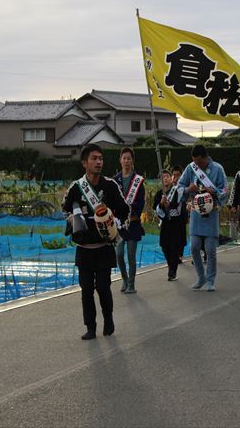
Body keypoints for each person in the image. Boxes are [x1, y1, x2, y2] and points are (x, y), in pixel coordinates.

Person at [62, 144, 130, 340]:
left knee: (102, 286)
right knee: (86, 290)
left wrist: (116, 223)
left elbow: (125, 210)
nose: (99, 162)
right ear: (85, 163)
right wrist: (72, 220)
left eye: (101, 158)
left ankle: (108, 319)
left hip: (103, 248)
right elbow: (65, 209)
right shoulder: (76, 188)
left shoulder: (110, 186)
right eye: (94, 158)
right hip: (84, 248)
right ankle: (90, 326)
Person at [177, 144, 228, 292]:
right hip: (195, 213)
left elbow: (224, 190)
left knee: (211, 250)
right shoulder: (190, 168)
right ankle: (201, 276)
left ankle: (211, 279)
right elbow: (179, 187)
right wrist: (188, 189)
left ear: (205, 158)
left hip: (211, 214)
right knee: (194, 247)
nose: (197, 165)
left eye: (199, 162)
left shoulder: (218, 169)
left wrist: (213, 191)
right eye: (195, 162)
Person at [112, 147, 145, 294]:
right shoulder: (115, 180)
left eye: (129, 158)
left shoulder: (137, 180)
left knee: (131, 256)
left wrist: (131, 209)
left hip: (133, 222)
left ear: (132, 161)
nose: (126, 161)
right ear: (120, 160)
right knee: (119, 254)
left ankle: (131, 284)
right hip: (119, 224)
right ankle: (124, 279)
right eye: (124, 158)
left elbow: (141, 201)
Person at [153, 169, 187, 281]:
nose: (165, 178)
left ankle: (172, 271)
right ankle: (170, 266)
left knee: (174, 248)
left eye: (167, 176)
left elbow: (179, 207)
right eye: (163, 177)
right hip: (165, 225)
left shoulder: (176, 191)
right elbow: (156, 210)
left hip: (176, 224)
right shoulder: (159, 194)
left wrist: (169, 206)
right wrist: (162, 205)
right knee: (165, 247)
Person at [172, 165, 187, 263]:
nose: (175, 178)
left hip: (181, 215)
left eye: (178, 175)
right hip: (171, 216)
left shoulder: (184, 187)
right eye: (174, 175)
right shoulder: (169, 188)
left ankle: (180, 255)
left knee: (181, 234)